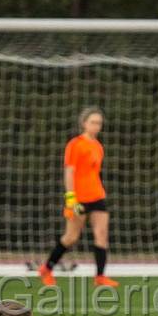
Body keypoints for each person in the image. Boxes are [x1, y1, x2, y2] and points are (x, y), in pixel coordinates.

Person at [37, 107, 118, 289]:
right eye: (93, 122)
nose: (97, 126)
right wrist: (71, 198)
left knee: (102, 235)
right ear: (84, 123)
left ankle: (100, 276)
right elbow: (70, 172)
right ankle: (46, 268)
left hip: (97, 196)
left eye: (99, 123)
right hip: (79, 198)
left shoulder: (98, 146)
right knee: (71, 236)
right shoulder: (75, 144)